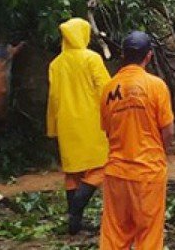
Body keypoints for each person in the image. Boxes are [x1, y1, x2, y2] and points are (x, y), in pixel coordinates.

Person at [99, 31, 175, 250]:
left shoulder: (108, 89)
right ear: (149, 56)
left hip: (116, 173)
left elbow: (108, 131)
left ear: (123, 55)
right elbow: (168, 131)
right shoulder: (156, 86)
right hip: (148, 173)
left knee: (114, 236)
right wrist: (160, 153)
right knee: (149, 236)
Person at [47, 18, 111, 235]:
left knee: (73, 172)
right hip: (92, 122)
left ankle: (74, 223)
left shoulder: (55, 64)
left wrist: (52, 126)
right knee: (101, 166)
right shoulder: (92, 58)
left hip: (66, 123)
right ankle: (75, 212)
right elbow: (106, 90)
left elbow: (53, 97)